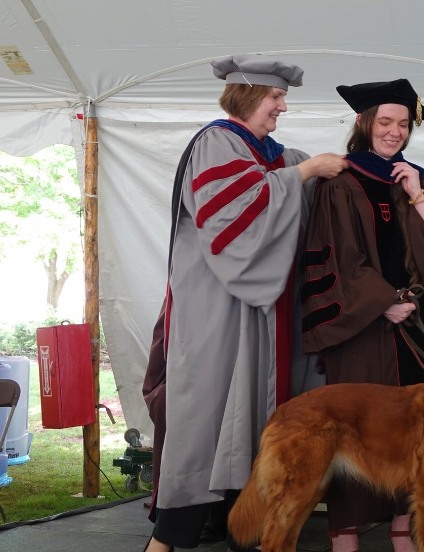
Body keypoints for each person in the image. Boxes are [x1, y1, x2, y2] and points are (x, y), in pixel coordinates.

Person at [142, 53, 348, 552]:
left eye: (282, 98)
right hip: (215, 315)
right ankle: (165, 540)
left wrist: (350, 165)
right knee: (205, 418)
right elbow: (232, 214)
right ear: (250, 95)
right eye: (276, 97)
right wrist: (305, 174)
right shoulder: (216, 143)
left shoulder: (275, 154)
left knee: (254, 420)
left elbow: (306, 183)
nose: (282, 107)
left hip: (258, 316)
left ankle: (247, 531)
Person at [298, 79, 424, 552]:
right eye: (385, 122)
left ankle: (405, 540)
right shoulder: (342, 182)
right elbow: (334, 258)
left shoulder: (421, 183)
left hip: (418, 336)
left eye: (402, 124)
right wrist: (382, 301)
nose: (395, 133)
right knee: (357, 437)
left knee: (418, 442)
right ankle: (346, 543)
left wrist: (417, 197)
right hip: (363, 334)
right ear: (363, 122)